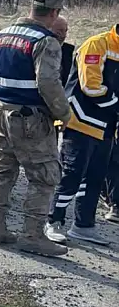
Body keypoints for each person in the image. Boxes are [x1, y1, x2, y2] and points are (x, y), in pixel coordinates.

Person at [0, 0, 71, 257]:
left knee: (3, 169)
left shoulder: (3, 34)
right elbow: (48, 83)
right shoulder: (47, 40)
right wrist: (64, 115)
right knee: (44, 175)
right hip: (30, 117)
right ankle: (32, 236)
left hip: (1, 111)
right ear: (54, 12)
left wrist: (7, 89)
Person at [45, 23, 119, 246]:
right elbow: (91, 86)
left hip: (106, 124)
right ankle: (53, 222)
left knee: (95, 177)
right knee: (72, 175)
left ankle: (83, 226)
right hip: (81, 121)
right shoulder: (97, 44)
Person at [51, 15, 75, 87]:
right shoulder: (41, 51)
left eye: (65, 31)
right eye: (59, 31)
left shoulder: (67, 52)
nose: (64, 35)